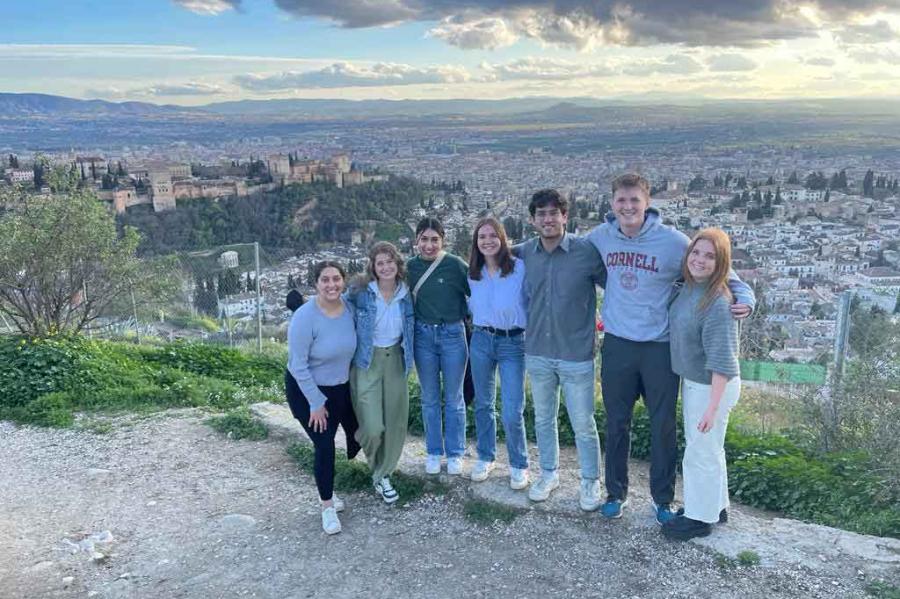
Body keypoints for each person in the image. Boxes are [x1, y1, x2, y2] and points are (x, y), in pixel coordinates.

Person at [586, 172, 754, 523]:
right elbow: (573, 257)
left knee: (663, 425)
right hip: (617, 343)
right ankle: (616, 493)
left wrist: (747, 298)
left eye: (635, 200)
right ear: (612, 203)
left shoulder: (674, 242)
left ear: (648, 204)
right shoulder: (600, 237)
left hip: (659, 349)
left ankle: (662, 499)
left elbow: (721, 271)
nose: (628, 206)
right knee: (616, 422)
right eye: (621, 200)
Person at [515, 189, 606, 511]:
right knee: (543, 419)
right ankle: (549, 473)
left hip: (576, 353)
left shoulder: (586, 252)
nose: (548, 219)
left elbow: (618, 284)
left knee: (583, 422)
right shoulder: (524, 252)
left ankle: (590, 480)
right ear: (532, 219)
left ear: (565, 217)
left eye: (554, 213)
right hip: (538, 349)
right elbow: (487, 258)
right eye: (541, 214)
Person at [663, 228, 741, 540]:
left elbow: (722, 360)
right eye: (696, 252)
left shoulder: (717, 303)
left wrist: (711, 407)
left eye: (710, 256)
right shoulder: (690, 288)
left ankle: (699, 518)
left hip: (711, 386)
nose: (700, 259)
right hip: (699, 383)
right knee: (710, 449)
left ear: (721, 263)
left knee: (699, 452)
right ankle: (715, 506)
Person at [285, 261, 360, 535]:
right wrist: (316, 403)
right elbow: (297, 365)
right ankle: (327, 505)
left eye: (336, 279)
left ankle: (370, 478)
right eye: (325, 280)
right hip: (307, 391)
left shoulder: (349, 310)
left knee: (360, 432)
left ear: (343, 281)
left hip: (340, 387)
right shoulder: (305, 317)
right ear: (316, 283)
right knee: (325, 444)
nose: (331, 285)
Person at [346, 241, 415, 504]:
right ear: (373, 268)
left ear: (398, 265)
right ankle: (370, 453)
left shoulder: (407, 294)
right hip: (367, 361)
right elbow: (336, 308)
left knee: (396, 423)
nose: (386, 267)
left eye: (390, 262)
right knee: (373, 427)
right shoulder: (361, 293)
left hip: (397, 359)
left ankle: (382, 475)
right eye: (380, 263)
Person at [467, 217, 529, 489]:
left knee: (512, 410)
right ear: (476, 242)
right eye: (482, 237)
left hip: (513, 342)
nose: (488, 241)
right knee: (483, 404)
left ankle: (519, 463)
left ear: (503, 239)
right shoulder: (472, 273)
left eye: (493, 235)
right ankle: (486, 455)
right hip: (481, 339)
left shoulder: (519, 268)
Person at [407, 217, 471, 475]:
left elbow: (478, 288)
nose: (429, 245)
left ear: (443, 241)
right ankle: (434, 451)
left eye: (435, 239)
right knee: (430, 398)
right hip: (423, 336)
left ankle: (455, 451)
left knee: (454, 397)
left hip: (453, 334)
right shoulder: (409, 268)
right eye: (424, 239)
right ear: (416, 241)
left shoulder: (455, 265)